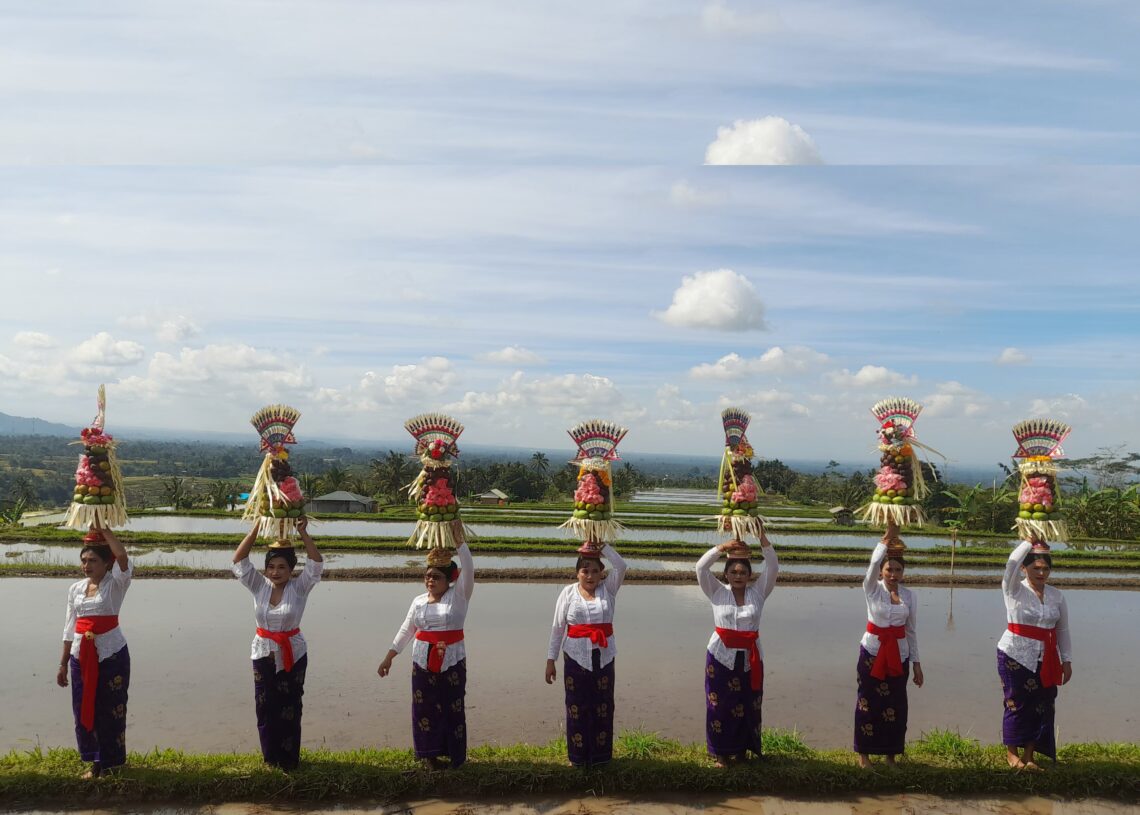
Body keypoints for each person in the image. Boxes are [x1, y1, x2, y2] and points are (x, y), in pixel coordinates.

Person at [233, 518, 323, 771]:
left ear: (291, 569)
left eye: (281, 567)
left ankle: (290, 759)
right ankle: (270, 758)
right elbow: (239, 561)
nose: (275, 572)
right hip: (262, 651)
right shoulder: (259, 586)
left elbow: (315, 564)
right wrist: (255, 530)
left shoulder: (300, 588)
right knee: (264, 704)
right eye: (271, 566)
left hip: (293, 652)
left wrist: (303, 533)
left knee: (291, 705)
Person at [377, 541, 474, 769]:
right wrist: (389, 656)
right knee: (424, 708)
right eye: (428, 576)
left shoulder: (459, 596)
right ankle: (428, 755)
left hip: (452, 660)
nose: (431, 581)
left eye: (437, 577)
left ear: (448, 579)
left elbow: (468, 568)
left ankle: (455, 757)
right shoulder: (418, 601)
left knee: (453, 706)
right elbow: (406, 629)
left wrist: (459, 541)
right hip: (421, 661)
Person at [695, 531, 778, 766]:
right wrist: (722, 547)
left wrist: (761, 536)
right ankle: (721, 754)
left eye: (743, 572)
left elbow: (772, 566)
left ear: (750, 575)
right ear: (726, 574)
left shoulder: (759, 593)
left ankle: (742, 752)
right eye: (733, 572)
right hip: (720, 656)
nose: (738, 576)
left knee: (748, 703)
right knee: (719, 704)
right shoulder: (717, 592)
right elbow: (700, 568)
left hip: (751, 656)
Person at [57, 525, 132, 778]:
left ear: (106, 563)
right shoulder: (76, 589)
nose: (87, 565)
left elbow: (122, 557)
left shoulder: (115, 584)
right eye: (84, 560)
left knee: (110, 708)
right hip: (81, 656)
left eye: (92, 560)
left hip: (110, 654)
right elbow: (70, 627)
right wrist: (63, 663)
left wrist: (105, 530)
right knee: (83, 708)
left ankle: (112, 764)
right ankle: (95, 762)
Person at [545, 544, 628, 768]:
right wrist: (550, 660)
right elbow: (558, 627)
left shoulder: (608, 589)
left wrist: (603, 547)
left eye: (594, 570)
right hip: (575, 656)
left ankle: (601, 757)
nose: (589, 576)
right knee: (576, 706)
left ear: (602, 572)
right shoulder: (568, 593)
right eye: (584, 571)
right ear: (577, 573)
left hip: (604, 655)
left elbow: (621, 566)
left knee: (603, 705)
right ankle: (578, 757)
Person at [997, 538, 1073, 770]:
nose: (1041, 573)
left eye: (1045, 568)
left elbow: (1062, 629)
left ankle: (1030, 756)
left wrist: (1066, 660)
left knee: (1041, 704)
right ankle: (1012, 754)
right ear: (1024, 568)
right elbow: (1010, 564)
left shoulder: (1056, 596)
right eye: (1035, 568)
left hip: (1046, 657)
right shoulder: (1014, 589)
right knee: (1016, 703)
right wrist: (1028, 541)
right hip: (1014, 655)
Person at [854, 522, 923, 768]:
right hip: (873, 652)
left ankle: (891, 755)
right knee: (868, 702)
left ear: (903, 572)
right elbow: (872, 565)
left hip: (900, 654)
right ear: (881, 572)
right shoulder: (872, 589)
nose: (893, 574)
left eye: (897, 570)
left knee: (896, 704)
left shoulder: (909, 596)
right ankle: (864, 755)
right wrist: (885, 539)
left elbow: (911, 631)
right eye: (888, 569)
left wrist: (916, 664)